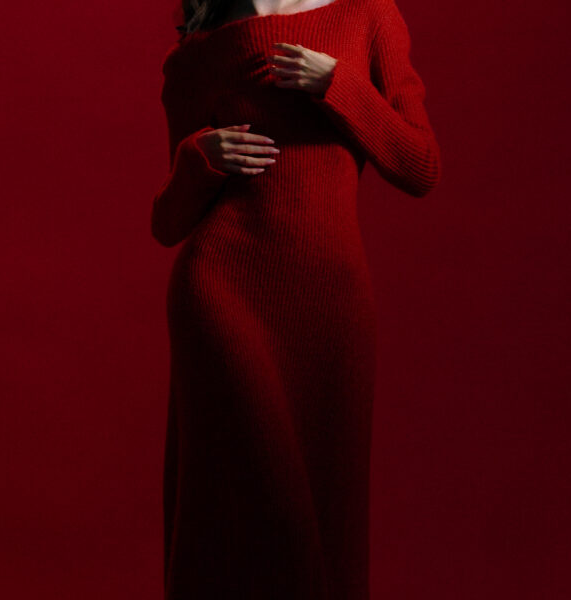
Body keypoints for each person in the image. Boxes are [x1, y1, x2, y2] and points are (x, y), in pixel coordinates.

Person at [151, 0, 441, 597]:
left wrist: (336, 83)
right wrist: (198, 158)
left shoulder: (368, 15)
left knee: (328, 513)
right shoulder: (198, 50)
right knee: (256, 506)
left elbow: (420, 166)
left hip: (333, 304)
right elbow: (167, 222)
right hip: (222, 295)